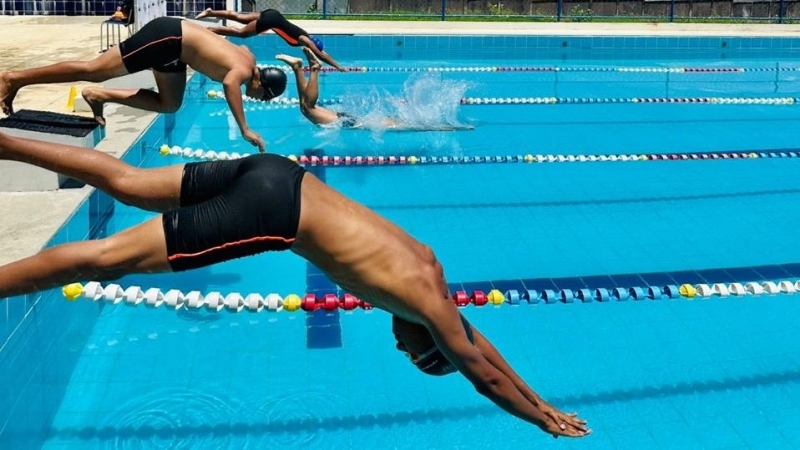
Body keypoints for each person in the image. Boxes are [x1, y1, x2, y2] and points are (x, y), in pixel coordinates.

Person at [0, 132, 590, 439]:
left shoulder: (429, 275)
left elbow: (475, 344)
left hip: (280, 172)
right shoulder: (420, 305)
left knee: (128, 182)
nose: (398, 348)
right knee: (103, 259)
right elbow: (478, 368)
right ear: (428, 340)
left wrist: (542, 397)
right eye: (413, 355)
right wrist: (540, 420)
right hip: (272, 212)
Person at [0, 17, 287, 153]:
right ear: (263, 84)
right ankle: (14, 78)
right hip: (168, 38)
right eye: (262, 98)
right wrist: (244, 128)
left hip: (177, 50)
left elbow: (217, 34)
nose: (258, 99)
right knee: (94, 69)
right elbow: (229, 83)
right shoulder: (242, 71)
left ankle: (99, 96)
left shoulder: (248, 57)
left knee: (170, 105)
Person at [278, 48, 473, 132]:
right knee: (307, 109)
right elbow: (424, 125)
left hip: (348, 120)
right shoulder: (397, 124)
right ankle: (309, 68)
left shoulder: (391, 122)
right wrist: (450, 127)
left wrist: (452, 127)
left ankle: (301, 68)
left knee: (306, 109)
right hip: (349, 121)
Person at [196, 8, 344, 71]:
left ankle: (210, 12)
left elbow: (284, 30)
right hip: (271, 20)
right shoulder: (304, 39)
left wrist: (263, 28)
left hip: (273, 15)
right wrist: (337, 66)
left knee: (240, 18)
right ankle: (212, 30)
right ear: (313, 45)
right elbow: (321, 54)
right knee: (242, 33)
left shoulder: (304, 35)